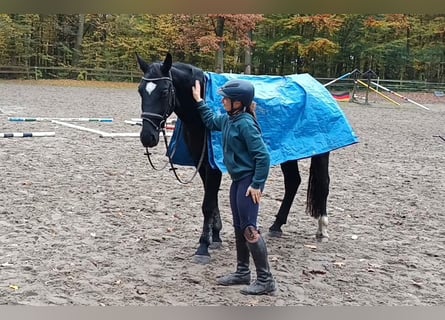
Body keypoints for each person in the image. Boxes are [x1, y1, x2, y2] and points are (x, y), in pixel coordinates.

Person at [192, 78, 277, 295]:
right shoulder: (230, 120)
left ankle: (266, 280)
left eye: (226, 98)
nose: (222, 100)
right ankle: (242, 272)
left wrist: (257, 185)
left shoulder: (246, 124)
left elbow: (263, 157)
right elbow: (211, 122)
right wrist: (199, 101)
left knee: (249, 229)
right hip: (238, 181)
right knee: (239, 226)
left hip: (248, 182)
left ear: (238, 103)